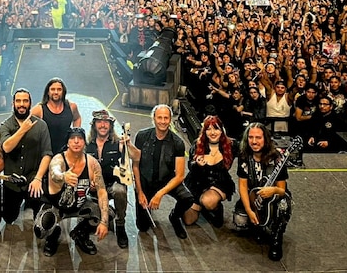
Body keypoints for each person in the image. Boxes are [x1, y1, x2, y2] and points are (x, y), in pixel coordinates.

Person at [36, 127, 109, 257]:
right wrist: (64, 176)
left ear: (84, 142)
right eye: (72, 139)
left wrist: (104, 222)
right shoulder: (59, 159)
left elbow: (102, 191)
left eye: (80, 138)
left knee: (107, 213)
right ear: (67, 143)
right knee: (41, 229)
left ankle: (80, 233)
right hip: (57, 207)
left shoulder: (92, 163)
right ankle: (53, 234)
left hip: (79, 205)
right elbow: (54, 172)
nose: (76, 141)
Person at [129, 104, 194, 238]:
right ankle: (146, 206)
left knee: (187, 198)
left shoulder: (178, 143)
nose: (163, 121)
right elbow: (135, 166)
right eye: (160, 117)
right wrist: (139, 192)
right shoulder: (142, 136)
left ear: (170, 120)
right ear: (153, 118)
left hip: (167, 180)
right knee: (142, 226)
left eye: (166, 118)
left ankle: (175, 217)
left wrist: (159, 194)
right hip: (146, 181)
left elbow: (180, 175)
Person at [233, 122, 293, 261]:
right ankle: (258, 226)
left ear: (265, 138)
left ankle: (277, 238)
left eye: (258, 137)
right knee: (240, 221)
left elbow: (282, 190)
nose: (254, 141)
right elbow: (242, 185)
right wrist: (249, 210)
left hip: (274, 196)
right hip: (254, 196)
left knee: (283, 205)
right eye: (251, 137)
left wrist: (273, 190)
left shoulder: (277, 157)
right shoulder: (244, 155)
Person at [0, 88, 52, 224]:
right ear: (13, 103)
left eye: (25, 101)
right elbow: (7, 147)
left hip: (33, 179)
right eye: (18, 101)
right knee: (8, 218)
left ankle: (32, 203)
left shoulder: (41, 125)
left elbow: (47, 154)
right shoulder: (5, 125)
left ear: (30, 103)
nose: (21, 104)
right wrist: (22, 130)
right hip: (12, 181)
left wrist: (38, 179)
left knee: (40, 215)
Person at [84, 109, 129, 248]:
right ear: (94, 125)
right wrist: (88, 182)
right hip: (94, 187)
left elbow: (133, 158)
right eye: (99, 122)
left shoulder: (118, 143)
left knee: (120, 190)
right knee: (88, 223)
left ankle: (120, 224)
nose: (103, 125)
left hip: (112, 184)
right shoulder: (86, 145)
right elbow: (82, 167)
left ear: (110, 126)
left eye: (106, 122)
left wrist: (128, 145)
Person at [182, 115, 235, 228]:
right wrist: (197, 164)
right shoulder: (197, 145)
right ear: (204, 131)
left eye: (216, 128)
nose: (212, 132)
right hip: (197, 183)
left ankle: (215, 208)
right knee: (188, 220)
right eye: (208, 129)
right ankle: (200, 206)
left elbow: (250, 147)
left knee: (209, 201)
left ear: (222, 130)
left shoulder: (231, 145)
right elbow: (190, 166)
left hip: (218, 183)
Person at [30, 78, 82, 154]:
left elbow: (77, 118)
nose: (56, 92)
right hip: (46, 152)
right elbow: (25, 120)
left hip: (66, 152)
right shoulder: (39, 109)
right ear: (48, 92)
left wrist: (75, 134)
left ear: (63, 92)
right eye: (53, 89)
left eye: (59, 89)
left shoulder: (71, 107)